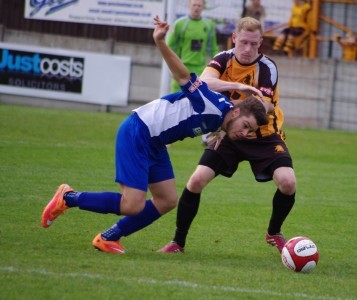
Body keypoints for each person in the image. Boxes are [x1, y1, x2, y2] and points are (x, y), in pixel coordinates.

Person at [41, 16, 271, 254]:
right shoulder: (212, 104)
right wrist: (161, 41)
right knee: (132, 204)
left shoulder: (224, 118)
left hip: (156, 142)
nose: (245, 133)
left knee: (167, 200)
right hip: (139, 131)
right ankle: (69, 197)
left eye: (250, 131)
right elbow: (183, 76)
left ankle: (109, 237)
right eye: (245, 125)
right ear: (237, 111)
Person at [159, 16, 296, 255]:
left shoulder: (267, 67)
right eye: (243, 42)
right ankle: (177, 243)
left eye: (254, 44)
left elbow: (263, 108)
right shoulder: (223, 59)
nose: (247, 49)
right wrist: (238, 90)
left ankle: (274, 233)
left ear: (260, 42)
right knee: (196, 181)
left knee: (288, 182)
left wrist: (235, 108)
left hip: (263, 135)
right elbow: (203, 82)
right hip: (229, 135)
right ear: (234, 38)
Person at [167, 0, 219, 93]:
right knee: (176, 97)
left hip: (200, 69)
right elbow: (170, 47)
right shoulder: (180, 24)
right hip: (182, 67)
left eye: (199, 5)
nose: (196, 8)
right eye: (194, 5)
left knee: (195, 98)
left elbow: (213, 48)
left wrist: (219, 67)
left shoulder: (208, 25)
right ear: (189, 6)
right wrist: (172, 67)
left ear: (203, 7)